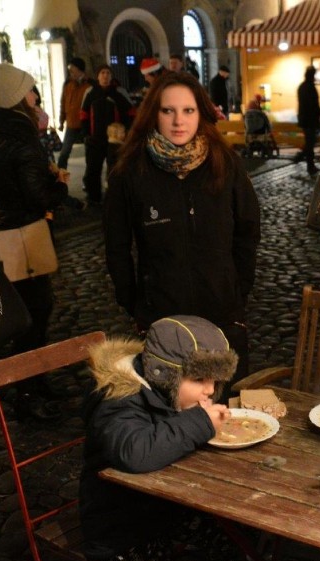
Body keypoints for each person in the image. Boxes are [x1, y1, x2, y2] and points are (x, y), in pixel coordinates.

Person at [104, 72, 261, 396]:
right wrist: (133, 300)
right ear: (153, 114)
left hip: (222, 313)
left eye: (188, 110)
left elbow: (248, 230)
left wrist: (237, 288)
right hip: (163, 315)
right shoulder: (131, 172)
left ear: (201, 112)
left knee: (228, 411)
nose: (179, 121)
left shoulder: (225, 164)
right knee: (171, 409)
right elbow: (116, 244)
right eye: (168, 111)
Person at [79, 315, 238, 561]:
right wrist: (199, 423)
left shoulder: (165, 392)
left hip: (165, 507)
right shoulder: (119, 399)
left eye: (214, 381)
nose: (209, 390)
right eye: (199, 380)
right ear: (165, 375)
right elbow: (135, 451)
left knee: (232, 537)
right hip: (120, 527)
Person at [0, 61, 69, 421]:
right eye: (31, 89)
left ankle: (35, 379)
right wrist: (59, 184)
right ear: (19, 98)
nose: (36, 95)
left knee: (31, 310)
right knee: (35, 312)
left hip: (9, 230)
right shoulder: (21, 140)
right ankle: (28, 388)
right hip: (26, 233)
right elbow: (40, 197)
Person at [80, 65, 133, 206]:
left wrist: (126, 132)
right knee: (93, 169)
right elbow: (83, 114)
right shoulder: (90, 92)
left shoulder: (119, 92)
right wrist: (85, 134)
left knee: (115, 170)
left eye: (108, 73)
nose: (105, 75)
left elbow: (131, 113)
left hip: (114, 141)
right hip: (95, 139)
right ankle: (94, 197)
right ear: (98, 76)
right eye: (102, 72)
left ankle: (114, 198)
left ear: (111, 76)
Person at [57, 56, 92, 170]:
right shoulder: (68, 84)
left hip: (86, 124)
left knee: (89, 154)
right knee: (64, 153)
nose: (70, 71)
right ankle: (60, 178)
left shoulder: (89, 85)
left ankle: (88, 180)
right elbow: (63, 102)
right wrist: (61, 121)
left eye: (72, 68)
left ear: (79, 69)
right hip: (71, 124)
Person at [295, 65, 320, 175]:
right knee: (310, 143)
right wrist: (319, 113)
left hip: (305, 119)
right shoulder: (310, 87)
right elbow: (313, 105)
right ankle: (308, 164)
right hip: (310, 120)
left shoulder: (302, 87)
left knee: (310, 142)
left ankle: (302, 158)